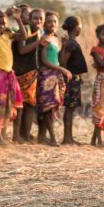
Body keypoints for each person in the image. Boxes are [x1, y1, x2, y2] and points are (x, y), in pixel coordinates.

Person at [0, 9, 26, 143]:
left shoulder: (8, 35)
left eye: (4, 23)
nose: (2, 26)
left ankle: (3, 133)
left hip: (9, 73)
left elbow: (23, 36)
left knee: (13, 103)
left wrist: (18, 20)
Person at [37, 11, 71, 146]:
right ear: (44, 23)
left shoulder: (56, 39)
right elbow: (44, 60)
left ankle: (43, 136)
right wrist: (61, 70)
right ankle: (51, 138)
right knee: (48, 106)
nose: (52, 24)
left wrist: (64, 46)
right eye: (49, 21)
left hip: (55, 74)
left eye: (54, 22)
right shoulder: (44, 39)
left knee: (53, 105)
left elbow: (59, 59)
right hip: (47, 75)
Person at [14, 8, 43, 142]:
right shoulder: (24, 31)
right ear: (29, 19)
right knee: (20, 105)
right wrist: (39, 42)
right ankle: (17, 135)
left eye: (40, 19)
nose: (38, 21)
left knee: (30, 105)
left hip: (31, 72)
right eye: (35, 18)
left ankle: (25, 134)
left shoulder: (39, 34)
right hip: (20, 72)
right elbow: (21, 50)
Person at [59, 16, 88, 145]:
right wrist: (66, 78)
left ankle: (69, 137)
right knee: (69, 109)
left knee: (71, 108)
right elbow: (63, 62)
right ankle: (67, 138)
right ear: (77, 27)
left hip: (75, 79)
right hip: (71, 80)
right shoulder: (71, 43)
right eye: (80, 26)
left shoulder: (72, 42)